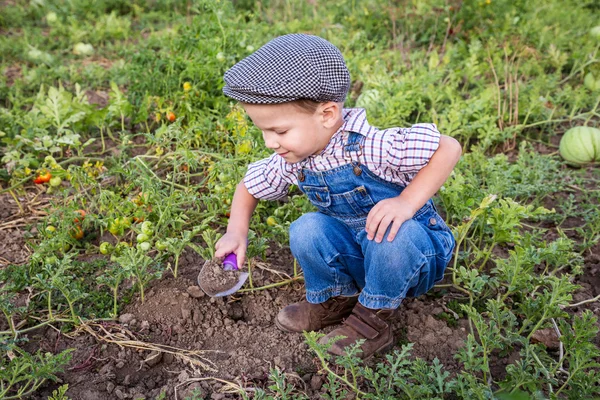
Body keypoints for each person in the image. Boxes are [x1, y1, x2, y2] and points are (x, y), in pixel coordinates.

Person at [214, 33, 461, 359]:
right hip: (360, 256)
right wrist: (236, 231)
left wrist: (405, 202)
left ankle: (374, 318)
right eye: (263, 131)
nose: (270, 143)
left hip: (410, 258)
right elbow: (248, 186)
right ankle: (336, 299)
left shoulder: (373, 146)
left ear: (328, 114)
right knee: (306, 228)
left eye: (280, 131)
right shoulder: (293, 159)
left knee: (393, 235)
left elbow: (448, 147)